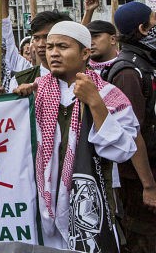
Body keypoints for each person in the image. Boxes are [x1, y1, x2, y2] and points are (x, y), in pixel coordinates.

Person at [14, 21, 139, 250]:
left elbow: (123, 150)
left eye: (62, 46)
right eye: (50, 46)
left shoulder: (108, 94)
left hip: (89, 211)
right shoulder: (36, 91)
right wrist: (15, 103)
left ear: (85, 53)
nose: (53, 53)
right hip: (43, 212)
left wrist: (94, 102)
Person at [108, 1, 156, 252]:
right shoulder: (129, 72)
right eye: (153, 20)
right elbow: (131, 134)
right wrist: (148, 186)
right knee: (144, 239)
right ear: (143, 28)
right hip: (138, 180)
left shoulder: (146, 63)